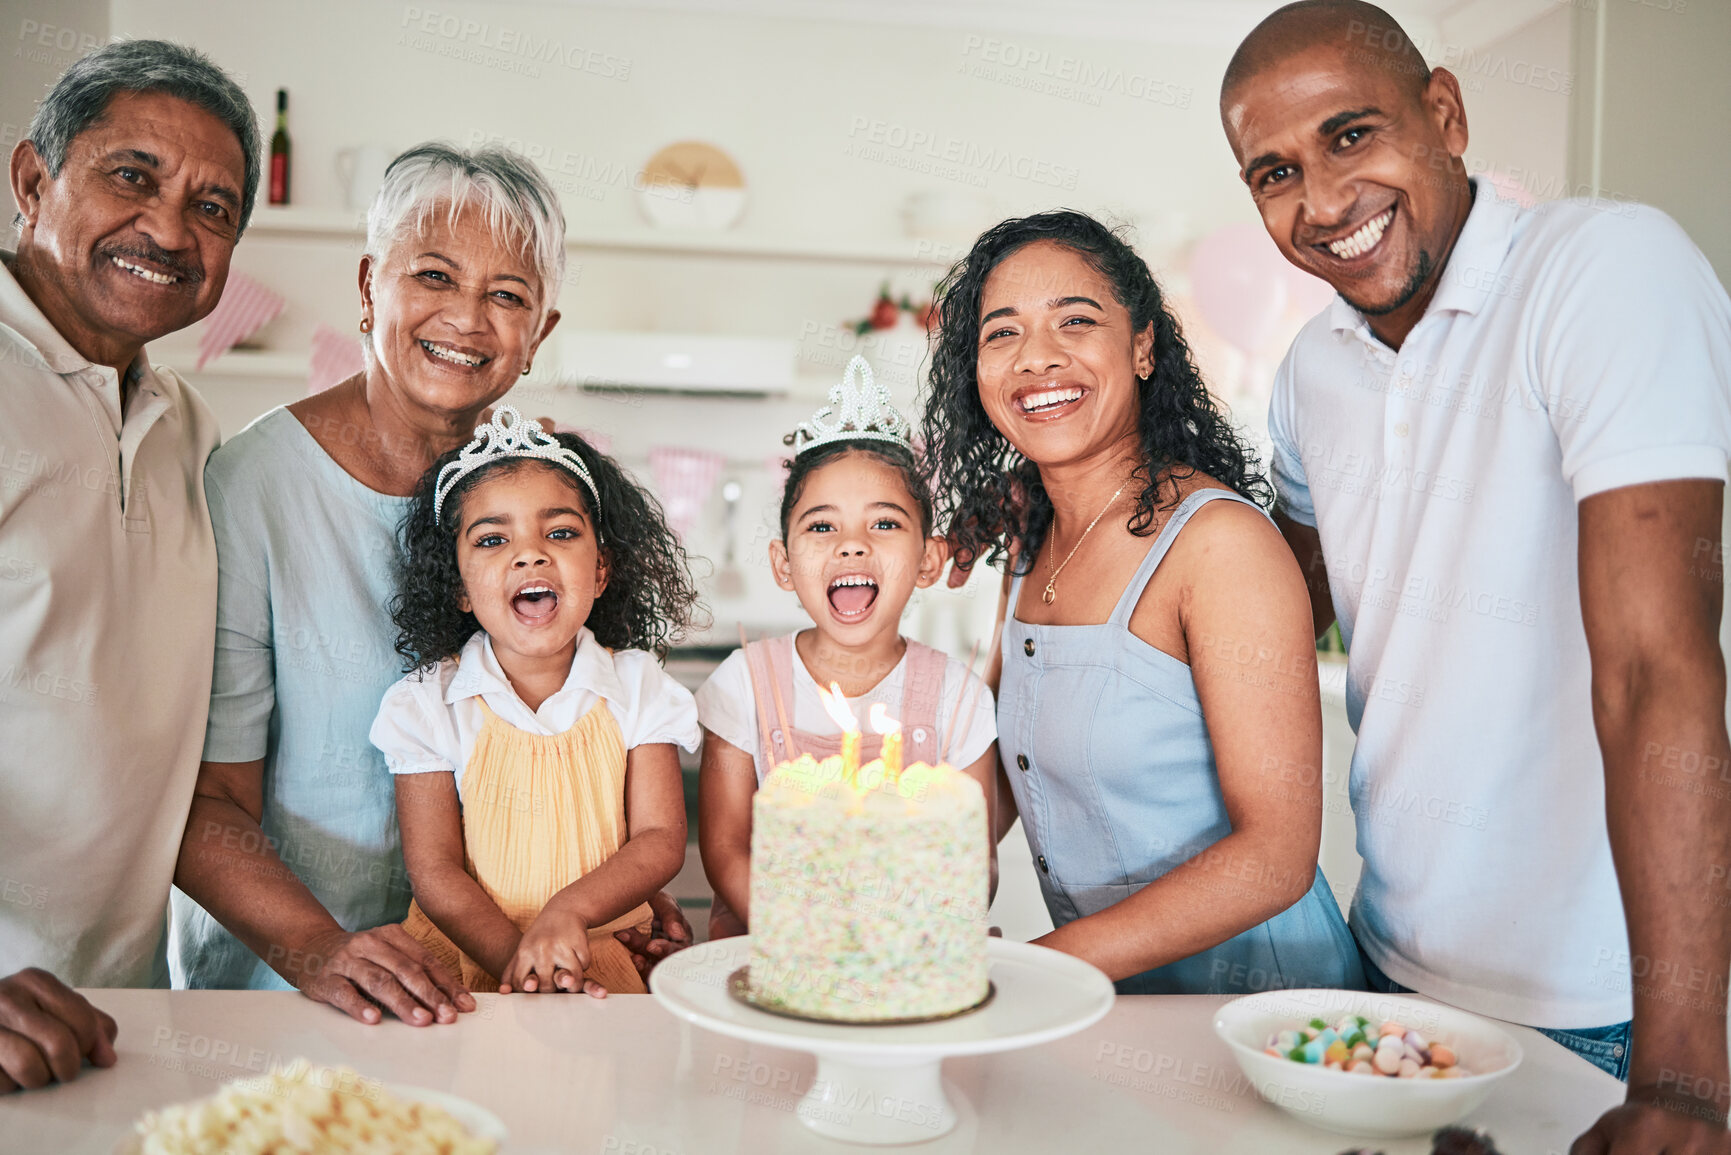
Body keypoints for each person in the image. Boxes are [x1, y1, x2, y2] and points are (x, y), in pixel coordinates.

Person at [1219, 1, 1731, 1145]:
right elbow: (1268, 618)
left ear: (1444, 114)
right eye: (1274, 172)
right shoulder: (1311, 369)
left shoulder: (1604, 268)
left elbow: (1657, 668)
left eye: (1352, 135)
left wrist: (1684, 1082)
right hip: (1386, 970)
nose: (1322, 202)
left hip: (1600, 1013)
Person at [170, 143, 690, 1025]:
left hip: (513, 999)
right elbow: (201, 800)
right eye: (435, 276)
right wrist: (321, 949)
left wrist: (599, 909)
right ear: (370, 287)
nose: (467, 317)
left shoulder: (545, 492)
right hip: (292, 995)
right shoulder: (251, 486)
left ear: (540, 334)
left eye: (507, 294)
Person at [922, 211, 1365, 995]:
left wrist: (1032, 971)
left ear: (1143, 345)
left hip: (1259, 1014)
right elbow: (1002, 770)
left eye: (1076, 320)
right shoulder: (1029, 535)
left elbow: (1276, 855)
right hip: (1112, 1008)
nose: (1037, 357)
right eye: (1002, 333)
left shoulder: (1218, 545)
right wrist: (894, 895)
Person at [0, 41, 258, 1091]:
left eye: (215, 208)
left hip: (117, 1025)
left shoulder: (193, 432)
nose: (168, 229)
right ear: (30, 181)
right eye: (132, 176)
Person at [375, 408, 701, 996]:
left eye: (560, 532)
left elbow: (659, 838)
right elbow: (436, 871)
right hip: (473, 964)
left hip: (599, 960)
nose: (530, 555)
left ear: (601, 570)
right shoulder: (425, 703)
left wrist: (567, 917)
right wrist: (522, 962)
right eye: (494, 539)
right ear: (459, 589)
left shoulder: (640, 686)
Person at [696, 356, 998, 939]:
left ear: (930, 559)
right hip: (772, 961)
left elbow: (976, 860)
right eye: (821, 526)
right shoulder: (744, 684)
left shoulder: (957, 697)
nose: (852, 546)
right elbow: (727, 849)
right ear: (783, 565)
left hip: (909, 956)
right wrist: (808, 939)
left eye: (884, 524)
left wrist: (898, 931)